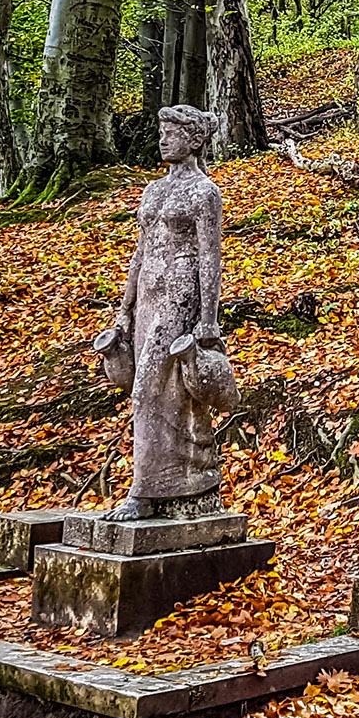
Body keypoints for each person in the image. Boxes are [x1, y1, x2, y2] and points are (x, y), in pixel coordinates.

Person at [92, 104, 239, 521]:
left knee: (151, 389)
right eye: (162, 131)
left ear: (193, 140)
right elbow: (139, 252)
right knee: (154, 388)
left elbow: (211, 256)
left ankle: (146, 492)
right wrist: (124, 309)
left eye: (172, 132)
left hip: (179, 292)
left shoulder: (204, 192)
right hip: (148, 293)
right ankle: (193, 477)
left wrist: (209, 317)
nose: (163, 138)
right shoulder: (153, 191)